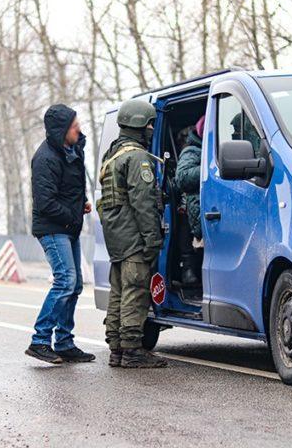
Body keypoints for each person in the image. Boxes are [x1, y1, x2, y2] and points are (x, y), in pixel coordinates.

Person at [97, 99, 167, 368]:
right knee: (135, 292)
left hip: (116, 238)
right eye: (150, 124)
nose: (152, 129)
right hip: (134, 237)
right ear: (140, 125)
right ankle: (132, 350)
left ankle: (116, 348)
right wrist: (152, 239)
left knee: (118, 291)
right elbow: (143, 204)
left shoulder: (111, 157)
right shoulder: (137, 158)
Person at [26, 104, 95, 365]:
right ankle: (40, 340)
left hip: (68, 226)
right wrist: (74, 214)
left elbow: (69, 188)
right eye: (74, 125)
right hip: (52, 229)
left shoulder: (71, 150)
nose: (79, 128)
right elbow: (46, 203)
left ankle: (64, 342)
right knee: (65, 281)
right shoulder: (45, 158)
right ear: (62, 130)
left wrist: (82, 203)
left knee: (74, 285)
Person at [174, 115, 205, 288]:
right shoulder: (192, 152)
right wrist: (209, 167)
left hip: (201, 206)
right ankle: (188, 270)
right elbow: (183, 177)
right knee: (186, 234)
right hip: (191, 206)